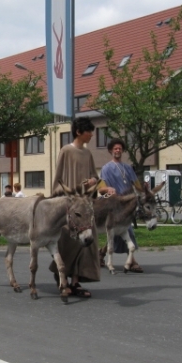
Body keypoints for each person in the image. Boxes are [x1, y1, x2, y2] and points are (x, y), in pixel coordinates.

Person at [51, 116, 108, 298]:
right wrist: (77, 187)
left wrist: (101, 186)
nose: (92, 135)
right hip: (71, 207)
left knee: (86, 244)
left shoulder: (88, 153)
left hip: (86, 207)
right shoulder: (66, 151)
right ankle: (63, 281)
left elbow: (96, 178)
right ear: (78, 132)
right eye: (89, 131)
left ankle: (76, 282)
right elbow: (57, 182)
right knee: (68, 243)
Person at [99, 138, 143, 272]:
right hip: (114, 204)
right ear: (111, 151)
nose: (118, 151)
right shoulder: (106, 168)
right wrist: (108, 189)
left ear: (122, 151)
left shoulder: (128, 167)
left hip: (127, 204)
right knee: (126, 229)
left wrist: (143, 191)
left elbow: (136, 184)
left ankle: (101, 253)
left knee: (117, 232)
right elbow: (101, 189)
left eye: (120, 149)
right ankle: (133, 262)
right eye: (115, 149)